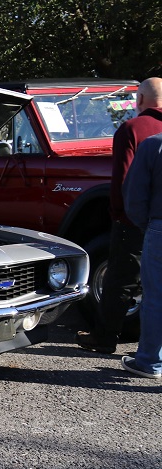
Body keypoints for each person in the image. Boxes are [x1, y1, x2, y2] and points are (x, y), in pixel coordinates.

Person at [76, 77, 162, 353]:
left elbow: (123, 179)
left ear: (139, 101)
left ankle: (106, 337)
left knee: (121, 280)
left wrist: (119, 214)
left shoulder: (132, 128)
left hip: (135, 218)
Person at [122, 131, 162, 379]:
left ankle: (150, 361)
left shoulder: (154, 145)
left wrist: (147, 226)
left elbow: (134, 194)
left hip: (160, 225)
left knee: (156, 297)